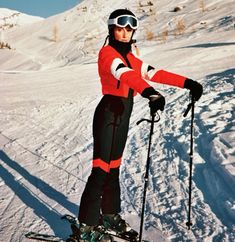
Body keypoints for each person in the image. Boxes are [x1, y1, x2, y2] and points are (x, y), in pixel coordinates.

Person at [76, 8, 203, 242]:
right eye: (120, 28)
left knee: (114, 169)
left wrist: (188, 83)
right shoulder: (107, 53)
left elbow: (153, 73)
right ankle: (86, 227)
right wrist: (149, 93)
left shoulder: (131, 56)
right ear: (111, 29)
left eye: (129, 28)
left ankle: (110, 216)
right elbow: (123, 74)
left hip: (123, 115)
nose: (125, 32)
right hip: (108, 113)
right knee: (101, 170)